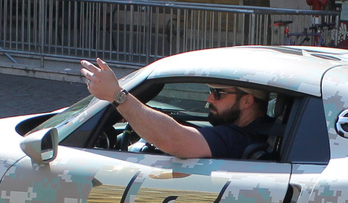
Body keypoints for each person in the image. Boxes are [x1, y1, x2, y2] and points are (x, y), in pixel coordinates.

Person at [79, 57, 274, 160]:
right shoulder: (264, 130)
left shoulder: (237, 139)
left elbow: (173, 138)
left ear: (247, 101)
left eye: (218, 93)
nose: (209, 98)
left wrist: (118, 97)